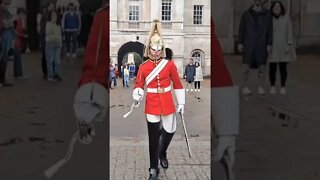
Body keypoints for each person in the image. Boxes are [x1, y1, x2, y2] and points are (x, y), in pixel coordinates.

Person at [132, 20, 185, 180]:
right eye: (153, 49)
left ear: (162, 49)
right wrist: (137, 93)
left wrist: (181, 102)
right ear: (149, 49)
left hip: (167, 101)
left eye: (158, 49)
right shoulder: (143, 67)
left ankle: (162, 152)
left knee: (170, 130)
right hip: (152, 103)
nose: (155, 52)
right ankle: (153, 168)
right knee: (153, 138)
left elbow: (177, 83)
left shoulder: (168, 65)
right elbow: (139, 84)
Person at [238, 0, 273, 95]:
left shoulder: (267, 14)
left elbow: (270, 30)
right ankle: (245, 86)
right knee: (246, 67)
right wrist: (240, 42)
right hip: (249, 44)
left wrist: (269, 43)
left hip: (261, 44)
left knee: (262, 67)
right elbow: (242, 29)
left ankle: (261, 87)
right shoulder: (246, 14)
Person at [268, 1, 296, 95]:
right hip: (273, 47)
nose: (277, 9)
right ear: (272, 9)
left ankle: (283, 86)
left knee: (283, 68)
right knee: (272, 68)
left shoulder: (286, 18)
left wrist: (289, 44)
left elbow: (289, 32)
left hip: (283, 47)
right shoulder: (269, 19)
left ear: (281, 8)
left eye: (278, 7)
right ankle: (272, 86)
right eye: (275, 7)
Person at [0, 0, 15, 87]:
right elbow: (6, 23)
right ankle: (2, 80)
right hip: (4, 35)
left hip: (5, 34)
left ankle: (2, 80)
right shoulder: (2, 8)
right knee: (3, 58)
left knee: (3, 58)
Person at [45, 11, 62, 81]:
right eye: (53, 15)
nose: (54, 17)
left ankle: (56, 74)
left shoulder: (58, 25)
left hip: (58, 43)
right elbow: (48, 32)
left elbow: (59, 34)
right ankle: (50, 75)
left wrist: (60, 42)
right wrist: (52, 22)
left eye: (55, 15)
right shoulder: (48, 24)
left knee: (57, 60)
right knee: (50, 59)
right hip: (50, 42)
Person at [12, 8, 29, 79]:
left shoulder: (19, 21)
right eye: (22, 14)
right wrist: (24, 35)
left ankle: (16, 74)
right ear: (19, 14)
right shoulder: (17, 21)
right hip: (16, 41)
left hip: (17, 41)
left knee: (16, 58)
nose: (23, 16)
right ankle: (19, 74)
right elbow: (17, 33)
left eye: (24, 14)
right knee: (18, 59)